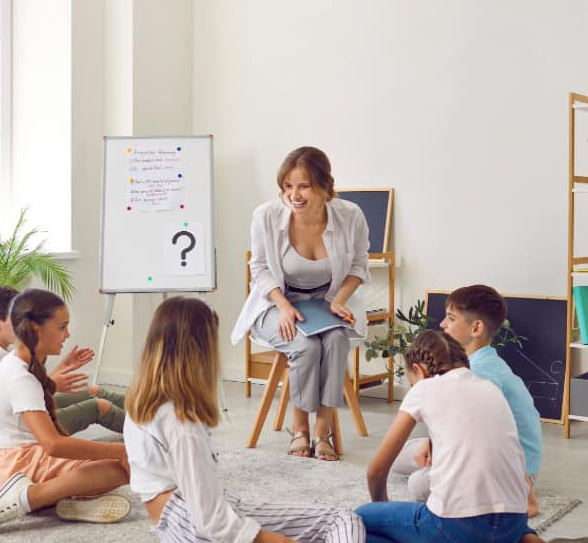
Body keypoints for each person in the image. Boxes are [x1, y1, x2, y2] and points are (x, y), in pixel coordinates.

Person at [126, 297, 364, 542]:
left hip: (174, 525)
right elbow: (212, 522)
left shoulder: (142, 404)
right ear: (200, 350)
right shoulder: (182, 422)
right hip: (196, 523)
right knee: (342, 519)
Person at [231, 146, 370, 461]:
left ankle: (323, 429)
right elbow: (260, 268)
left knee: (335, 340)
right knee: (305, 347)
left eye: (303, 186)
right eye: (287, 186)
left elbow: (359, 266)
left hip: (327, 300)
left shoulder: (350, 216)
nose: (294, 194)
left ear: (324, 186)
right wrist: (282, 305)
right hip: (278, 302)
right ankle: (300, 429)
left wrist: (339, 300)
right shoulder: (266, 215)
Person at [0, 289, 131, 536]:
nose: (67, 334)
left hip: (18, 459)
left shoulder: (20, 362)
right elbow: (54, 445)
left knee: (113, 467)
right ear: (37, 330)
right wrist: (120, 450)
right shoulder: (20, 376)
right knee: (119, 469)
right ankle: (27, 497)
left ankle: (64, 501)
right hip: (16, 467)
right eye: (62, 327)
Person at [358, 330, 541, 543]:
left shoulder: (424, 388)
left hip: (457, 524)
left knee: (359, 520)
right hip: (514, 521)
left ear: (418, 369)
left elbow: (377, 470)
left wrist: (381, 508)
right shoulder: (490, 387)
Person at [393, 285, 543, 516]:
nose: (442, 324)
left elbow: (482, 434)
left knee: (418, 484)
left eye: (451, 318)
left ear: (476, 328)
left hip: (506, 467)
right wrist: (432, 445)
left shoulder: (481, 374)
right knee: (399, 458)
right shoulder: (476, 364)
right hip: (477, 448)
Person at [0, 285, 126, 441]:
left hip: (23, 418)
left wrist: (61, 368)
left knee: (93, 392)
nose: (22, 325)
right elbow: (10, 410)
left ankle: (148, 409)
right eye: (16, 319)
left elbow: (28, 388)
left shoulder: (3, 351)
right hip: (12, 431)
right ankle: (143, 436)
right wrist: (53, 383)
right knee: (98, 407)